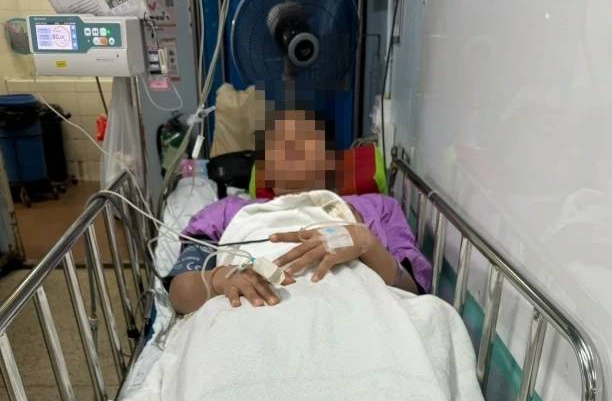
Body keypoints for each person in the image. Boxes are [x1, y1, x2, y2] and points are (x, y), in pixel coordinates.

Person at [166, 110, 432, 314]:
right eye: (278, 142)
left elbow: (412, 292)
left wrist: (365, 243)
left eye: (306, 137)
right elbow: (179, 296)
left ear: (329, 159)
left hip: (354, 310)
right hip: (254, 311)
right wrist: (218, 280)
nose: (290, 145)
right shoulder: (225, 213)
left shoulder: (378, 207)